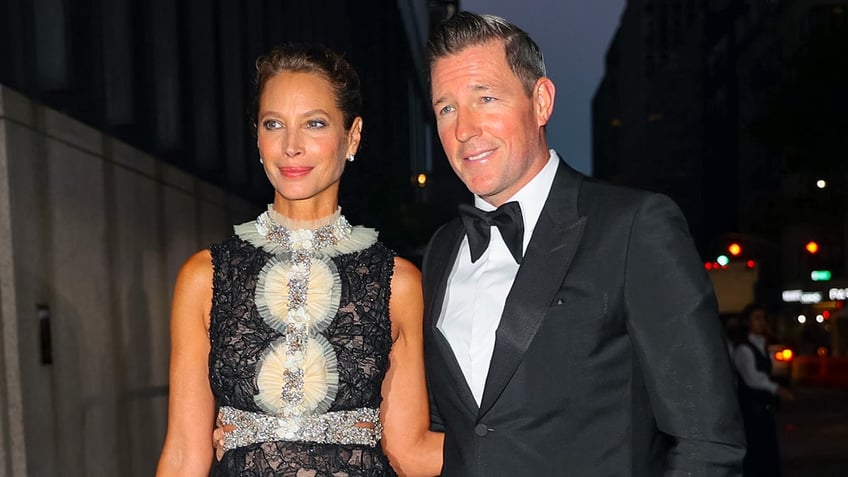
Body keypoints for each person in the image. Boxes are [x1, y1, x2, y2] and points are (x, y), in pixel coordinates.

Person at [419, 12, 746, 476]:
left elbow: (708, 441)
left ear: (541, 102)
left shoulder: (635, 227)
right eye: (446, 108)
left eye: (485, 98)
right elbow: (448, 426)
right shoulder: (442, 249)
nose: (464, 129)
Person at [156, 44, 442, 477]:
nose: (291, 146)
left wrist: (546, 445)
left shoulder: (398, 283)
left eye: (314, 124)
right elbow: (183, 453)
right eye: (274, 124)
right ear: (257, 135)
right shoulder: (205, 277)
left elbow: (409, 451)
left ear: (354, 135)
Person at [732, 304, 793, 476]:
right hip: (751, 407)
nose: (762, 322)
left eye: (764, 318)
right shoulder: (743, 348)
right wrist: (777, 389)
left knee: (768, 450)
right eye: (757, 318)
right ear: (747, 323)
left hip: (762, 407)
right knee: (757, 452)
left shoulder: (761, 343)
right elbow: (753, 378)